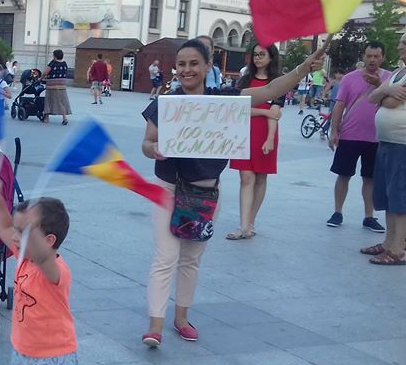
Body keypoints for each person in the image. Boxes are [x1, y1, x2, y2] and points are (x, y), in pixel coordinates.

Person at [140, 38, 325, 346]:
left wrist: (304, 68)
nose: (187, 70)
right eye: (182, 64)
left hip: (206, 192)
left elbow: (268, 92)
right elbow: (146, 143)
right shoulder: (166, 103)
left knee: (191, 258)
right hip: (169, 188)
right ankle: (155, 325)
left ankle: (181, 317)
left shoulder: (223, 99)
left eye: (194, 63)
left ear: (207, 67)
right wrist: (154, 149)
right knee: (165, 256)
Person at [0, 178, 76, 365]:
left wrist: (31, 227)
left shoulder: (56, 272)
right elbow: (5, 228)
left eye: (23, 232)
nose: (15, 238)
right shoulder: (24, 258)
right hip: (21, 353)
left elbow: (45, 257)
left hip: (54, 360)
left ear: (48, 241)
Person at [326, 43, 390, 232]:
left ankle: (369, 216)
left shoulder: (389, 78)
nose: (372, 60)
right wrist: (334, 130)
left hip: (377, 137)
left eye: (376, 56)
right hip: (350, 135)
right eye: (369, 56)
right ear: (364, 56)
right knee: (343, 174)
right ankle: (337, 212)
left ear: (383, 58)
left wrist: (379, 85)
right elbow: (339, 105)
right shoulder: (349, 78)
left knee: (370, 178)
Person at [227, 44, 285, 240]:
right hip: (243, 133)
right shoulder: (244, 80)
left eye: (262, 54)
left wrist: (269, 139)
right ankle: (242, 226)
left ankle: (250, 223)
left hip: (266, 134)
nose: (258, 58)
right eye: (255, 54)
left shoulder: (278, 83)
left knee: (260, 178)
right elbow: (238, 109)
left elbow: (275, 114)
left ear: (271, 57)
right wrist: (264, 110)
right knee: (246, 178)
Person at [361, 33, 406, 265]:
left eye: (404, 43)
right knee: (387, 195)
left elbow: (389, 101)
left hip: (402, 143)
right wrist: (385, 92)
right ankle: (389, 242)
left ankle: (398, 249)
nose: (399, 46)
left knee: (400, 197)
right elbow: (374, 97)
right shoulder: (398, 73)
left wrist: (384, 93)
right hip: (387, 141)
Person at [43, 49, 71, 125]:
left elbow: (46, 72)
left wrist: (41, 78)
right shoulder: (64, 63)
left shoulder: (53, 63)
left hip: (52, 85)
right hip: (62, 85)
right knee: (62, 102)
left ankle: (46, 117)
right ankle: (64, 118)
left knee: (49, 101)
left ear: (55, 56)